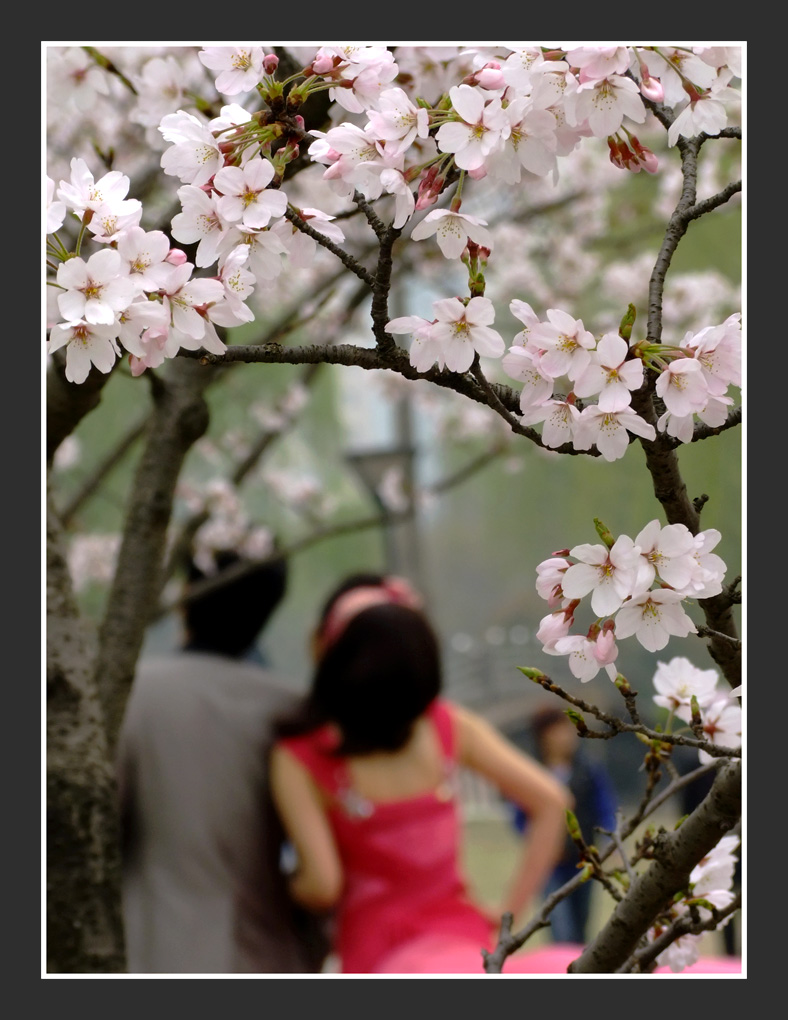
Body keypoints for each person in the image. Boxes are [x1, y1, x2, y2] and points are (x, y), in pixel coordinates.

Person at [268, 573, 573, 974]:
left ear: (330, 654)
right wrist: (508, 918)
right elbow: (552, 802)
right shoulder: (447, 726)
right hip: (465, 938)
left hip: (376, 952)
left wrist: (275, 887)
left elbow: (322, 885)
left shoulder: (302, 756)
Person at [116, 549, 329, 974]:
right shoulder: (294, 710)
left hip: (156, 946)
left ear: (187, 597)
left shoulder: (132, 695)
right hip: (272, 951)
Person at [507, 705, 618, 945]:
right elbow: (519, 817)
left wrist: (611, 840)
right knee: (561, 930)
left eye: (567, 731)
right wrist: (540, 844)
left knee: (582, 928)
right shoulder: (531, 772)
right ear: (543, 737)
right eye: (557, 732)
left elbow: (605, 807)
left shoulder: (588, 768)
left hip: (585, 861)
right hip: (550, 867)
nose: (565, 738)